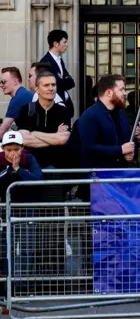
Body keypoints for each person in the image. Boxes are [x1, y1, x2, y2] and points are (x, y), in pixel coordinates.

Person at [75, 74, 140, 170]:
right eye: (121, 89)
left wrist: (137, 141)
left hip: (119, 176)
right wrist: (120, 150)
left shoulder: (121, 114)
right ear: (108, 92)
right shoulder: (90, 115)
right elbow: (89, 148)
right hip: (98, 178)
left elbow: (126, 142)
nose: (125, 93)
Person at [0, 131, 43, 284]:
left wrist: (19, 170)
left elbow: (38, 180)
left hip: (26, 209)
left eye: (16, 149)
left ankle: (23, 283)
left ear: (22, 148)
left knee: (26, 247)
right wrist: (9, 170)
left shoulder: (29, 159)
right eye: (9, 150)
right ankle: (7, 284)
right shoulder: (0, 160)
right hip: (5, 210)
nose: (12, 153)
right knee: (6, 248)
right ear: (3, 149)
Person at [15, 71, 71, 169]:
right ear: (37, 89)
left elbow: (62, 139)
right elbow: (24, 140)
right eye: (46, 85)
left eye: (53, 85)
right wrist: (55, 137)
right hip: (31, 167)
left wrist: (34, 134)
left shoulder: (63, 111)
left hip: (56, 167)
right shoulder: (26, 109)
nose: (51, 88)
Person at [40, 30, 75, 117]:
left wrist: (62, 80)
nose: (66, 45)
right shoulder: (45, 62)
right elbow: (55, 83)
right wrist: (63, 80)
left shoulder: (60, 60)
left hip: (64, 103)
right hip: (54, 104)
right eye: (65, 42)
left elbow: (71, 82)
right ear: (56, 44)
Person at [0, 67, 33, 137]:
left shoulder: (18, 98)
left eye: (3, 82)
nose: (1, 85)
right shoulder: (26, 93)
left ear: (15, 81)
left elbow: (2, 130)